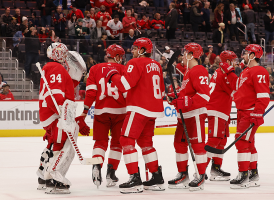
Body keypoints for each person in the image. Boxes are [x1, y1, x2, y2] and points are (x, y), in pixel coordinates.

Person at [102, 38, 165, 194]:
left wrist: (113, 76)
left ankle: (134, 178)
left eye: (136, 48)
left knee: (126, 139)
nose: (133, 50)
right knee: (146, 142)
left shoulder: (135, 63)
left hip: (139, 107)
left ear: (143, 50)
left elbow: (124, 85)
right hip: (153, 109)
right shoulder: (156, 65)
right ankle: (156, 177)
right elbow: (162, 91)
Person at [36, 43, 89, 194]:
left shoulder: (53, 68)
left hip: (51, 113)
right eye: (65, 55)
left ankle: (43, 175)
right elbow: (55, 93)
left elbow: (63, 87)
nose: (67, 59)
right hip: (55, 113)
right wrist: (63, 114)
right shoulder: (56, 68)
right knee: (62, 142)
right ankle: (55, 179)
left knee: (54, 142)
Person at [219, 44, 270, 189]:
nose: (243, 56)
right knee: (249, 143)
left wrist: (257, 112)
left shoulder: (259, 71)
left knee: (241, 142)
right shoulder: (246, 71)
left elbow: (263, 96)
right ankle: (253, 174)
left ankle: (244, 175)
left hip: (250, 112)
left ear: (253, 56)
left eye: (246, 53)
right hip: (243, 112)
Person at [80, 45, 126, 188]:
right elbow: (127, 92)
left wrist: (84, 112)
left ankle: (97, 166)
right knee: (117, 143)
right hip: (120, 112)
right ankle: (111, 173)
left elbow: (91, 93)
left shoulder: (94, 69)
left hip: (101, 112)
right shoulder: (123, 69)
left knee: (100, 142)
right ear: (118, 57)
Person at [166, 43, 209, 191]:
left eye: (185, 53)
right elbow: (187, 94)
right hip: (184, 115)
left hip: (195, 114)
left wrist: (184, 101)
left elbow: (204, 95)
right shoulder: (189, 73)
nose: (182, 56)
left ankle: (201, 175)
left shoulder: (199, 70)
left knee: (197, 145)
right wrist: (175, 97)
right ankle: (183, 174)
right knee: (179, 144)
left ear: (191, 55)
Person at [206, 51, 238, 181]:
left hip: (222, 111)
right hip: (217, 110)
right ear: (228, 62)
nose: (236, 63)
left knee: (221, 140)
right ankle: (200, 171)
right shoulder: (224, 73)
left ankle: (216, 169)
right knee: (214, 140)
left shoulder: (222, 72)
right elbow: (236, 88)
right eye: (233, 60)